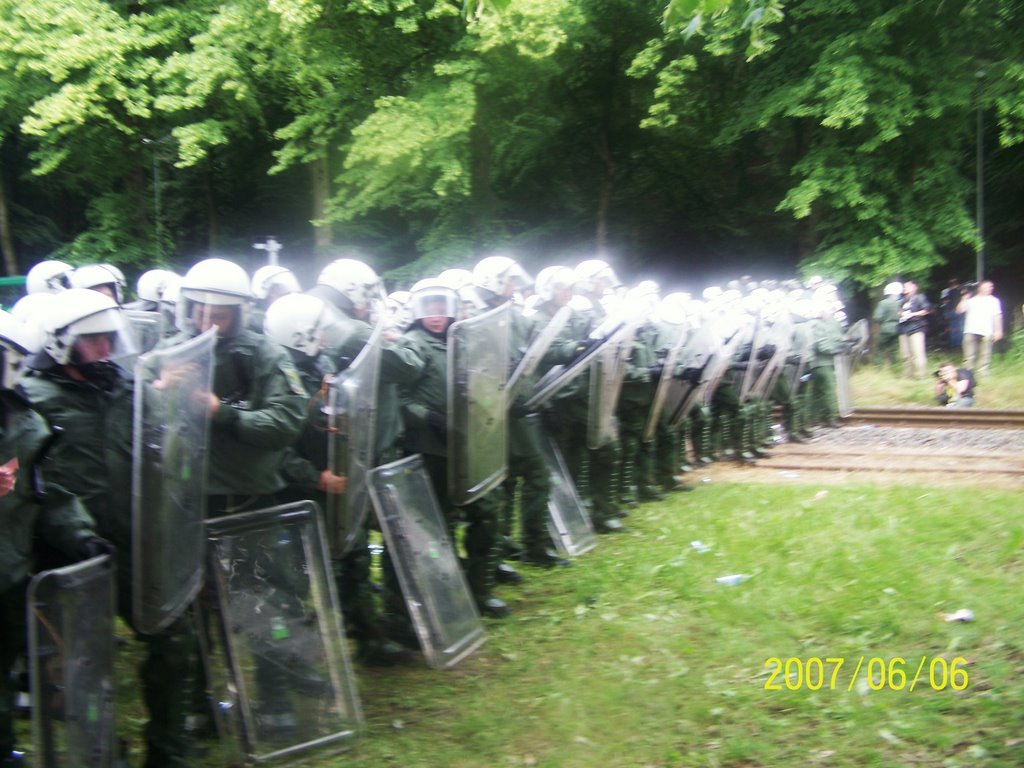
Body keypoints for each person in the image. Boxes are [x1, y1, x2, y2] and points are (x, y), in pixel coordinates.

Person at [19, 289, 194, 768]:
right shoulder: (34, 400)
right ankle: (99, 753)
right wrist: (73, 536)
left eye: (109, 339)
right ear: (61, 343)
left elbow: (162, 447)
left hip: (138, 539)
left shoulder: (126, 387)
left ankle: (168, 747)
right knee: (83, 664)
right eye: (93, 341)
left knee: (173, 641)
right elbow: (36, 483)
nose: (105, 349)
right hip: (73, 554)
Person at [957, 279, 1003, 377]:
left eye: (991, 287)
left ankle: (983, 373)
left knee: (985, 354)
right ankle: (967, 374)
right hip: (970, 330)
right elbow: (959, 310)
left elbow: (997, 316)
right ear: (980, 288)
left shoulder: (994, 301)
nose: (990, 289)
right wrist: (964, 297)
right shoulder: (971, 300)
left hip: (986, 330)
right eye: (987, 286)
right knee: (969, 355)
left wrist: (998, 330)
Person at [896, 280, 931, 379]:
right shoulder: (903, 300)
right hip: (904, 328)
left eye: (907, 286)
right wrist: (900, 313)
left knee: (918, 352)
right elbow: (899, 311)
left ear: (914, 287)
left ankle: (920, 375)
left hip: (916, 327)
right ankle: (907, 375)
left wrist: (912, 314)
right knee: (905, 354)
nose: (904, 288)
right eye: (904, 287)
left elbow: (926, 310)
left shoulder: (920, 297)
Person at [872, 282, 902, 369]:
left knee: (879, 348)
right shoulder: (900, 303)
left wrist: (882, 321)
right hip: (898, 328)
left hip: (886, 329)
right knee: (894, 349)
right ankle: (895, 367)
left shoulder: (883, 303)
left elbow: (877, 317)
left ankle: (878, 367)